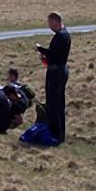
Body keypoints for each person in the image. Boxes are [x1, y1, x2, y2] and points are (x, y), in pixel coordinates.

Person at [34, 12, 71, 144]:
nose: (49, 26)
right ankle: (60, 133)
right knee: (59, 102)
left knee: (53, 104)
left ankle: (55, 134)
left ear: (55, 22)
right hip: (61, 70)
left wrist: (40, 49)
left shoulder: (60, 36)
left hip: (56, 73)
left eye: (49, 23)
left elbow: (53, 54)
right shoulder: (65, 34)